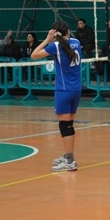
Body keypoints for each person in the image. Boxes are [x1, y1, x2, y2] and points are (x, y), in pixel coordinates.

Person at [31, 21, 82, 172]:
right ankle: (68, 156)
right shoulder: (76, 42)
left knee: (65, 126)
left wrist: (47, 40)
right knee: (69, 125)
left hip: (63, 90)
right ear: (68, 31)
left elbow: (34, 55)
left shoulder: (56, 46)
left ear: (54, 33)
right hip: (76, 90)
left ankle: (70, 161)